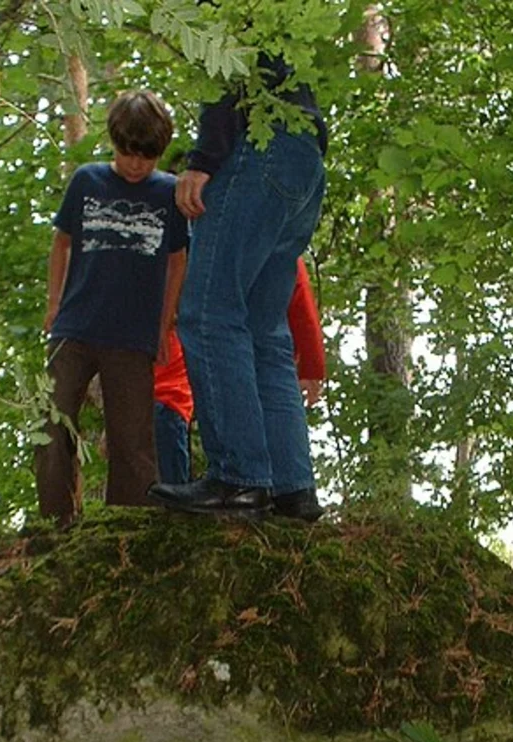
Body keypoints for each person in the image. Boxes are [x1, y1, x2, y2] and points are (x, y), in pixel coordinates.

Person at [147, 53, 327, 521]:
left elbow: (228, 70)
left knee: (209, 312)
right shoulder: (278, 21)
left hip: (260, 147)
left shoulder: (226, 10)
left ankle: (239, 479)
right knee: (264, 329)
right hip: (305, 157)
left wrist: (204, 159)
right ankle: (292, 489)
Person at [34, 89, 188, 526]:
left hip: (133, 337)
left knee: (133, 440)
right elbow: (61, 242)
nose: (136, 165)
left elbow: (177, 261)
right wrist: (53, 303)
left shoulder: (169, 193)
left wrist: (163, 326)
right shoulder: (87, 181)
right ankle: (57, 522)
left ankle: (128, 528)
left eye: (147, 157)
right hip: (76, 328)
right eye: (127, 154)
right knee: (52, 421)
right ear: (113, 143)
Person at [154, 257, 327, 485]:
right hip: (231, 357)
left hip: (248, 353)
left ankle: (263, 485)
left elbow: (297, 285)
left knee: (267, 406)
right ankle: (276, 488)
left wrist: (311, 364)